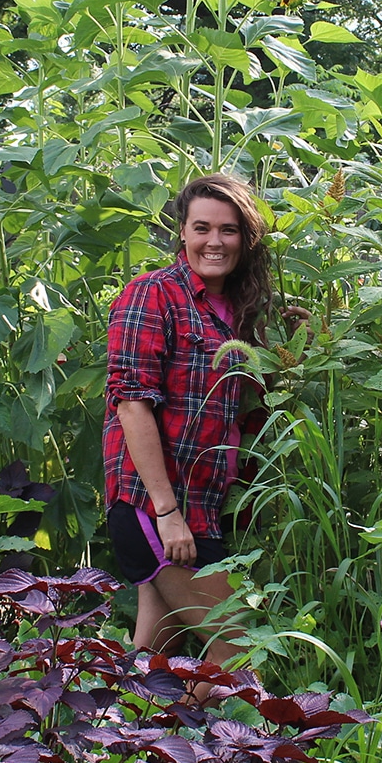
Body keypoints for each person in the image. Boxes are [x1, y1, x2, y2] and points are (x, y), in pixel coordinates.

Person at [102, 172, 270, 666]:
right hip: (156, 508)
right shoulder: (152, 294)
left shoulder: (240, 312)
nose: (214, 241)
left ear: (246, 237)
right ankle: (243, 744)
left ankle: (109, 740)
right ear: (182, 232)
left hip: (205, 507)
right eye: (202, 228)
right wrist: (167, 512)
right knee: (235, 655)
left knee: (156, 662)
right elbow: (132, 403)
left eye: (229, 229)